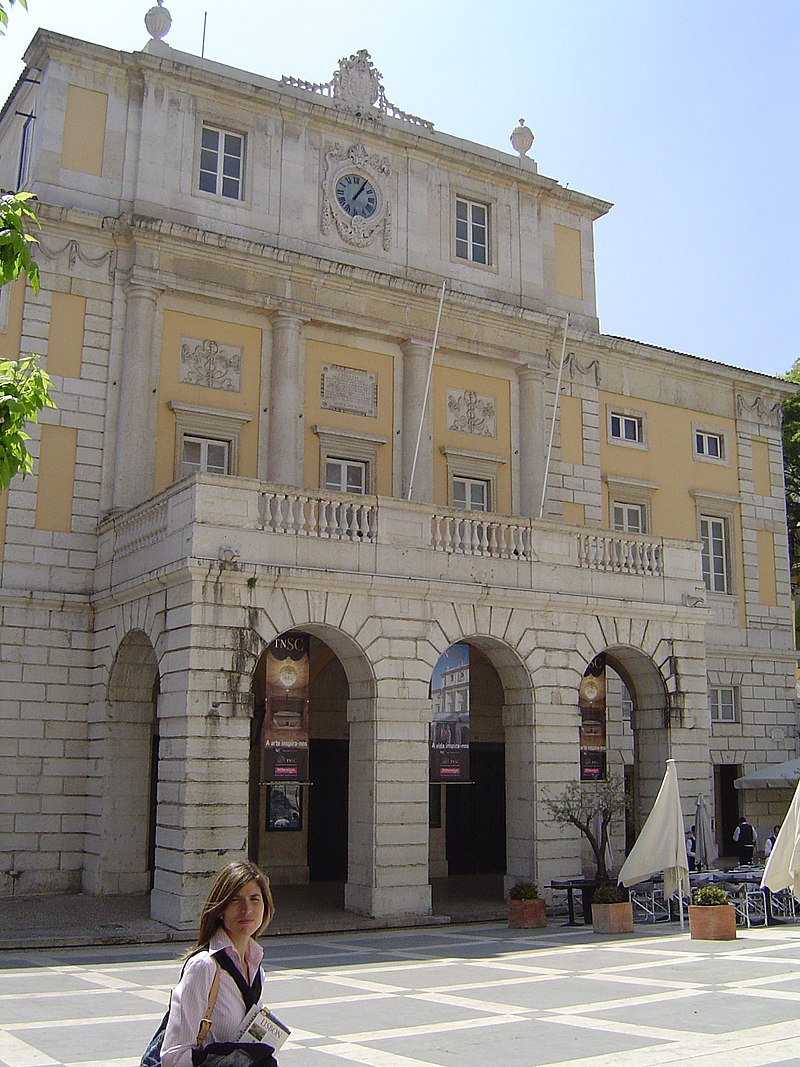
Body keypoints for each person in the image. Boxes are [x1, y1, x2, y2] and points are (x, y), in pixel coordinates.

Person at [160, 860, 277, 1067]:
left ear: (265, 907)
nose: (246, 909)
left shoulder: (256, 970)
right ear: (220, 909)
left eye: (254, 899)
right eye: (235, 900)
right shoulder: (204, 967)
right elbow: (174, 1055)